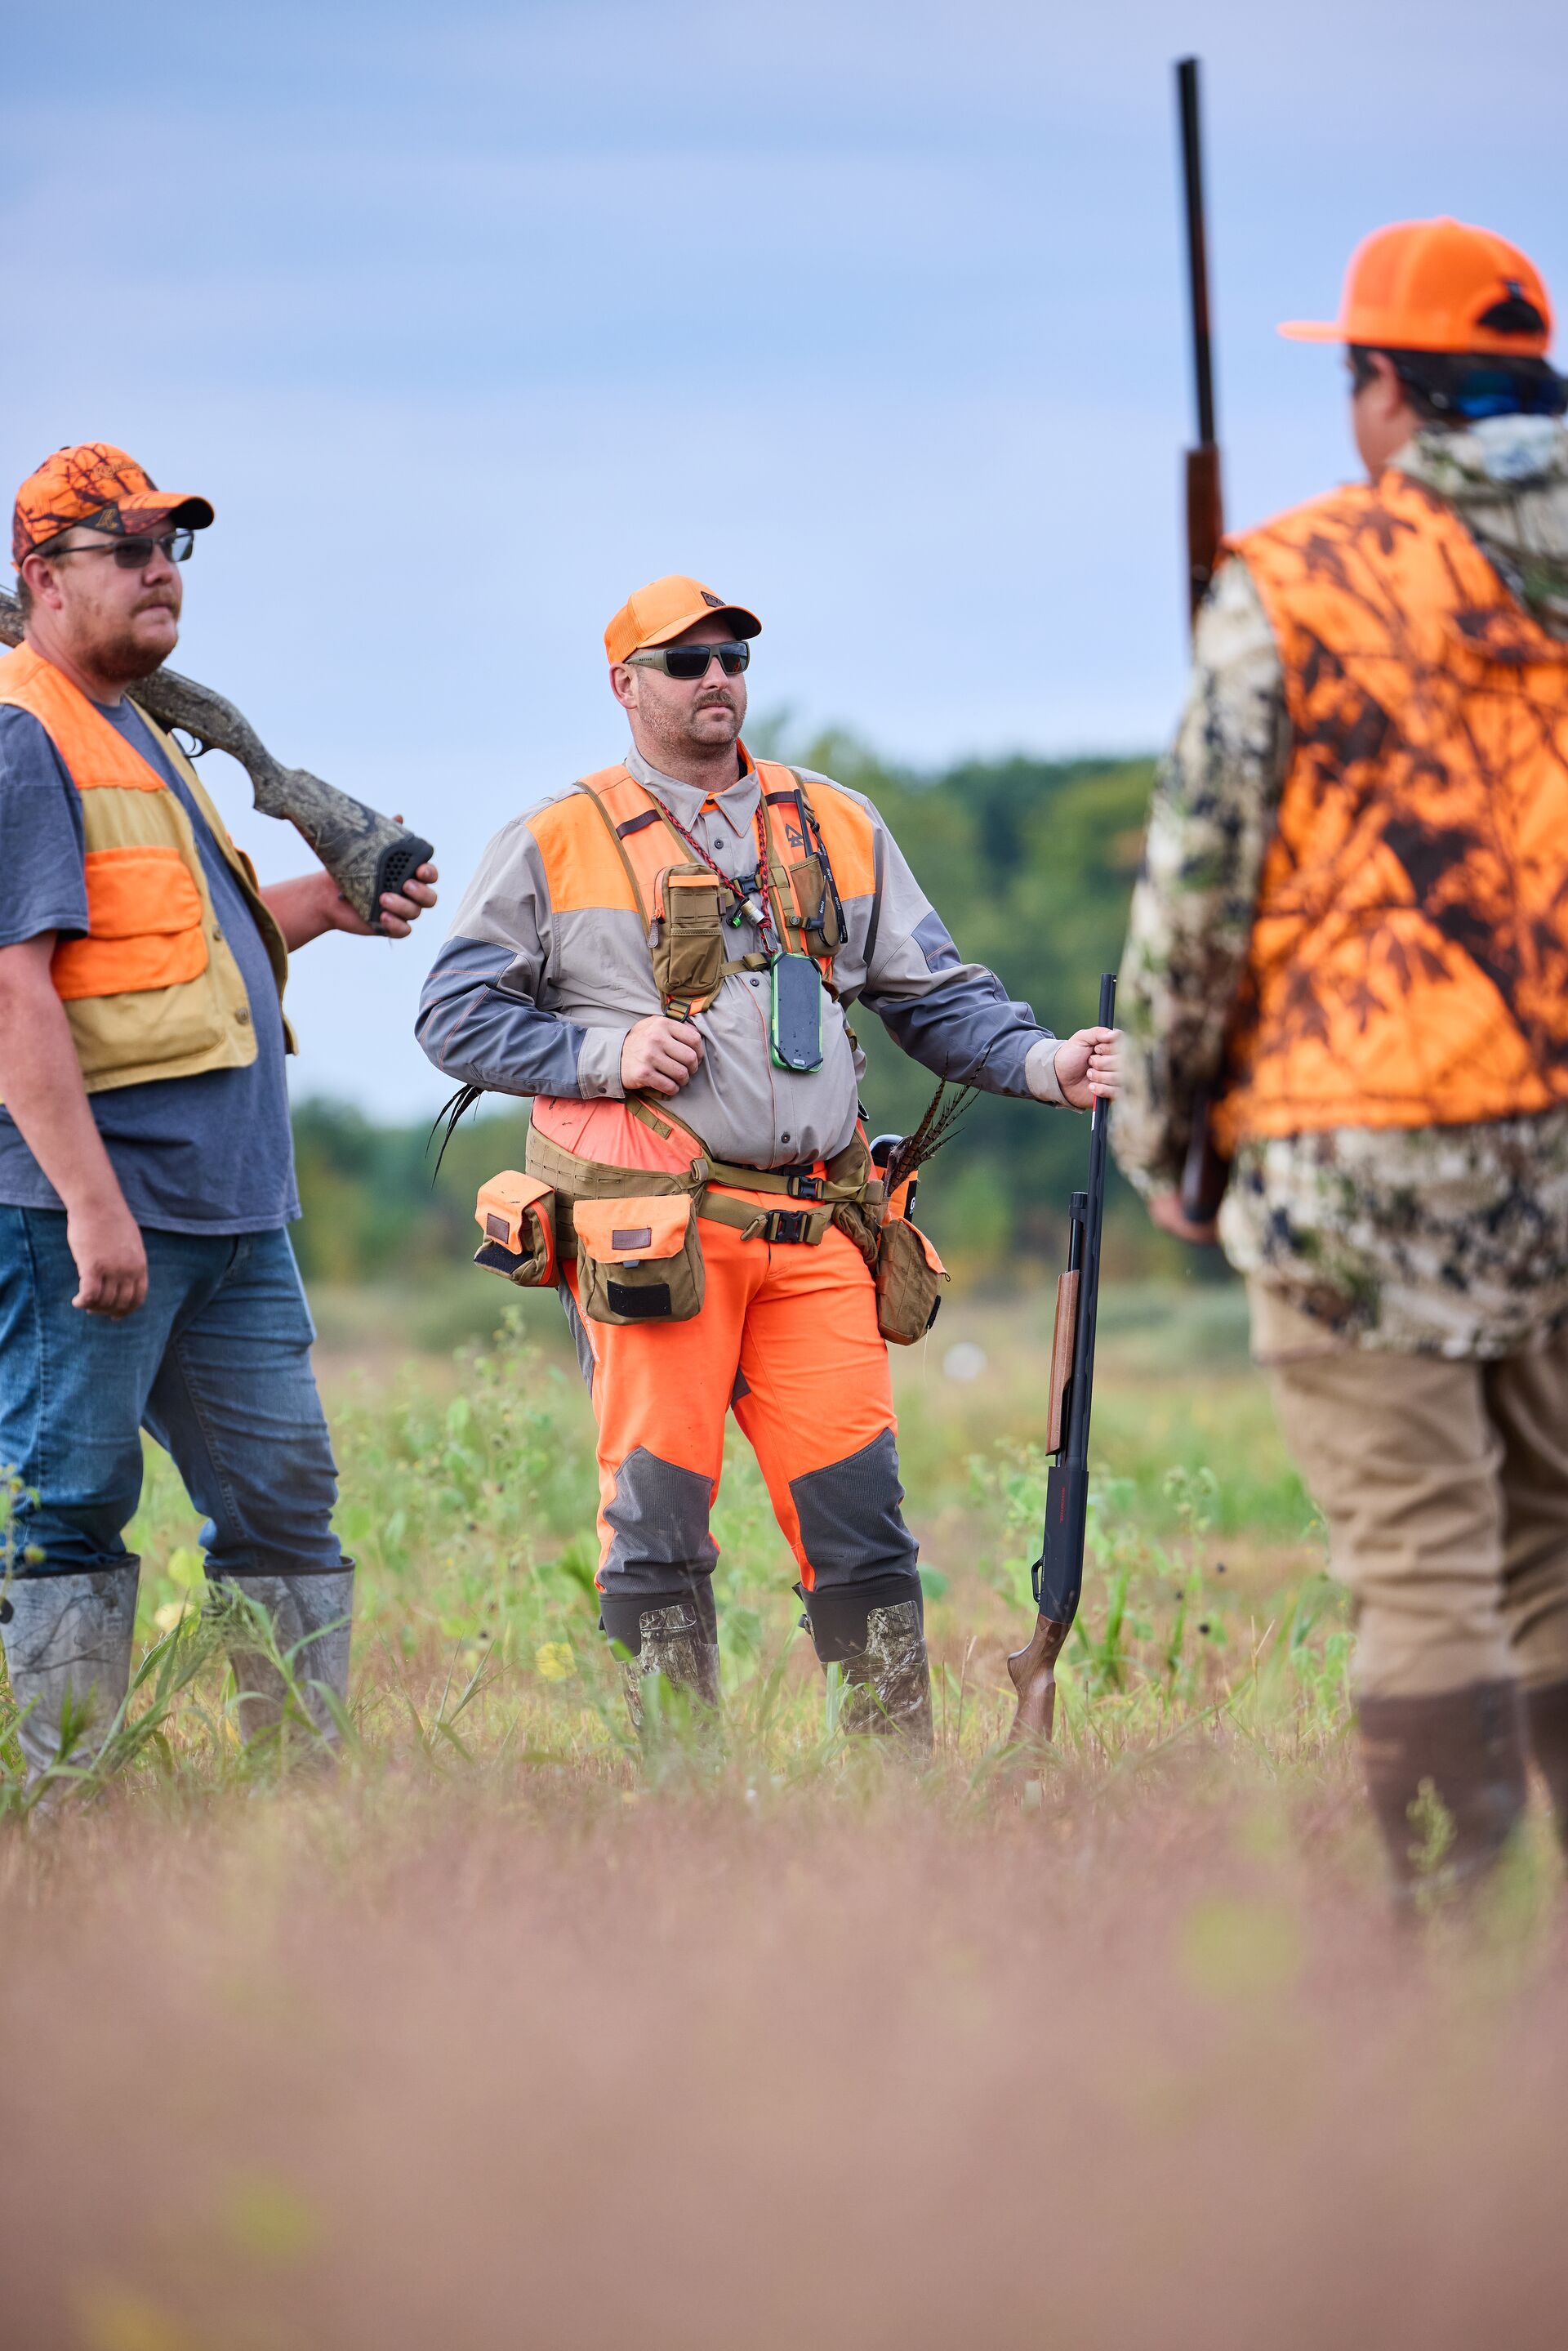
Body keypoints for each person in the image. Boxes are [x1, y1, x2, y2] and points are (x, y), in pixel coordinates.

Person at [418, 573, 1118, 1750]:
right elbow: (454, 1019)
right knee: (658, 1528)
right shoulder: (555, 837)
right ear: (624, 684)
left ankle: (895, 1792)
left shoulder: (834, 821)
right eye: (686, 663)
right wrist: (603, 1051)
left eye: (734, 659)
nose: (716, 682)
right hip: (659, 1241)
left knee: (864, 1528)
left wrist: (1053, 1063)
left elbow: (935, 998)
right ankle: (681, 1794)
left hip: (820, 1229)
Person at [1113, 219, 1568, 1901]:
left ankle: (1459, 1982)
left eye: (1354, 376)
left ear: (1389, 385)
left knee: (1425, 1564)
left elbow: (1202, 885)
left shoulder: (1299, 574)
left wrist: (1167, 1133)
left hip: (1357, 1140)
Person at [0, 442, 439, 1782]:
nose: (157, 570)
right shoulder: (25, 737)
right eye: (123, 550)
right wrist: (89, 1205)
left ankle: (300, 1803)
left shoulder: (147, 728)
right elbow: (15, 991)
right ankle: (57, 1804)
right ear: (42, 580)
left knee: (287, 1508)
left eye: (169, 547)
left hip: (236, 1215)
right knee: (72, 1509)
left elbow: (192, 947)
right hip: (99, 1212)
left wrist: (334, 901)